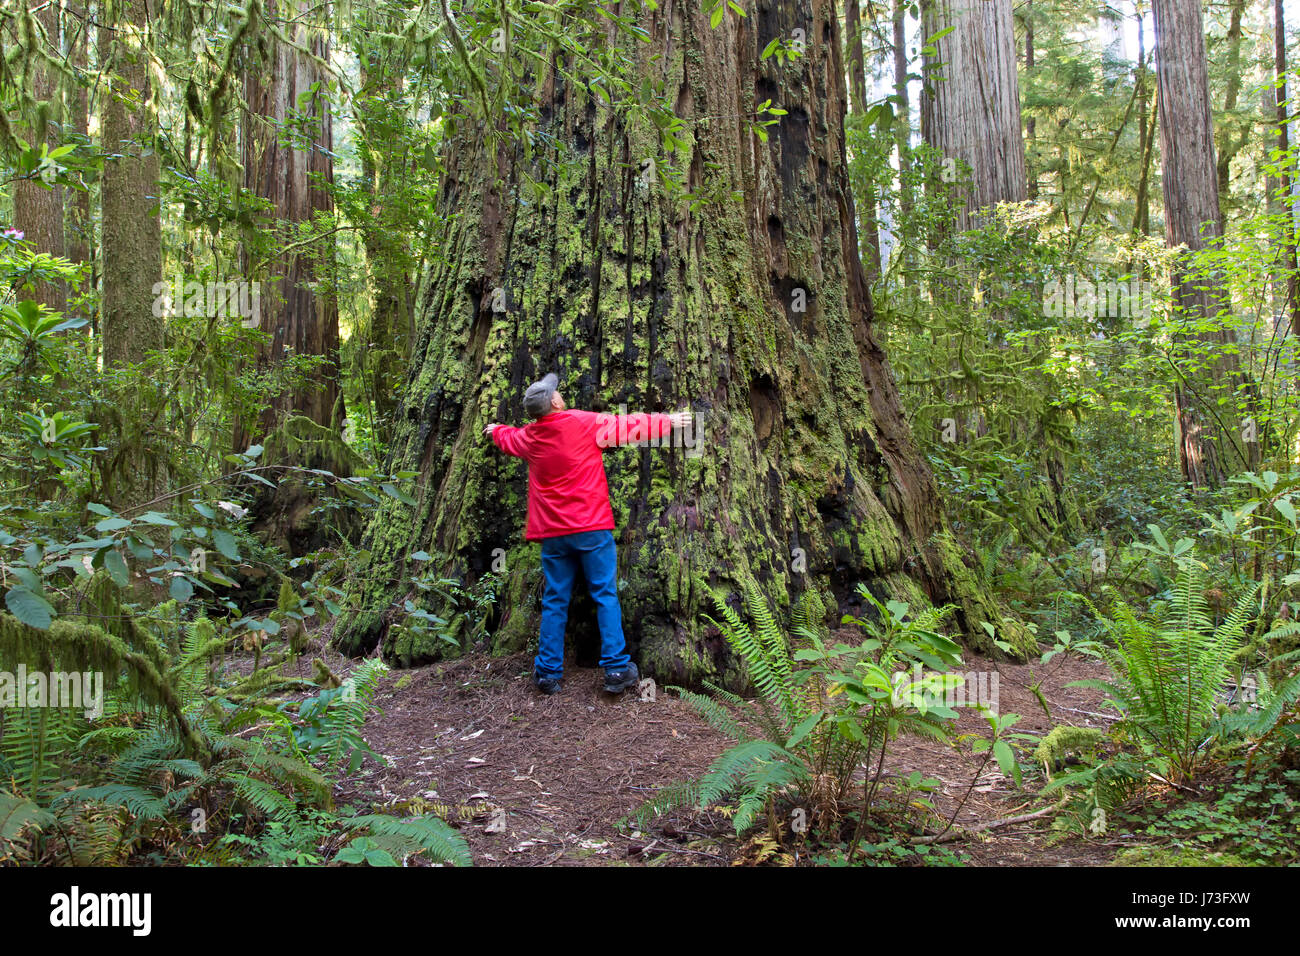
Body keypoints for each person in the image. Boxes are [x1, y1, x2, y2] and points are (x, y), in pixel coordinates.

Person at [483, 373, 691, 695]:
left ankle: (548, 673)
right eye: (557, 392)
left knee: (554, 600)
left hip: (553, 535)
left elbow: (508, 439)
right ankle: (616, 669)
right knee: (604, 595)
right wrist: (668, 421)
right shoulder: (581, 423)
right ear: (554, 402)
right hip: (591, 528)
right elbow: (628, 426)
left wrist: (495, 430)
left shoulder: (530, 437)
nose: (560, 393)